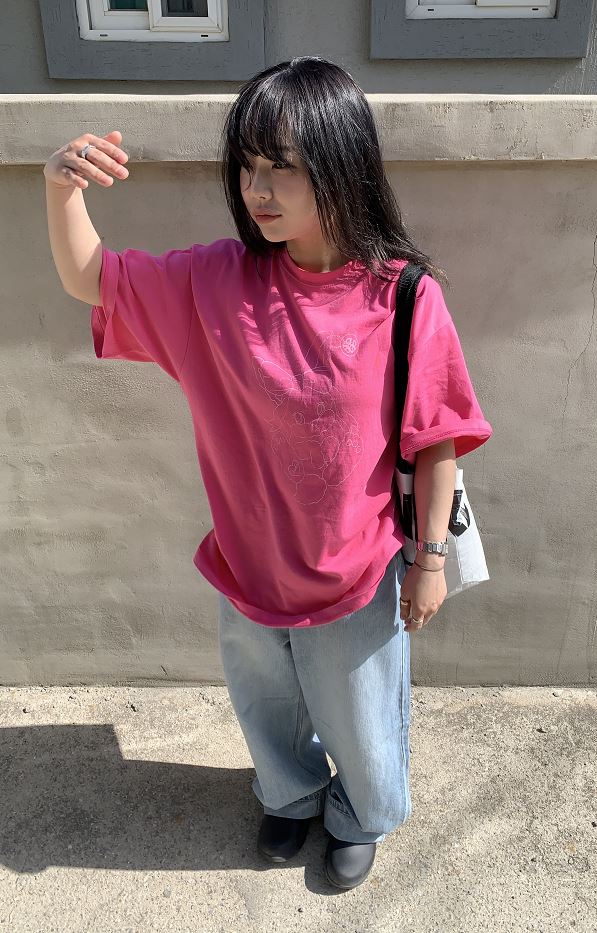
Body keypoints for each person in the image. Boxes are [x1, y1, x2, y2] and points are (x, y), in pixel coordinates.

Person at [43, 56, 493, 891]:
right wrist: (60, 188)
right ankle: (290, 793)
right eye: (248, 165)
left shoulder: (403, 296)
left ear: (341, 164)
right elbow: (90, 279)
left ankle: (361, 811)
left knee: (361, 717)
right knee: (266, 705)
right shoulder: (213, 281)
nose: (258, 188)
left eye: (283, 166)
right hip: (247, 563)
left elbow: (437, 438)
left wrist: (429, 560)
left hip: (355, 571)